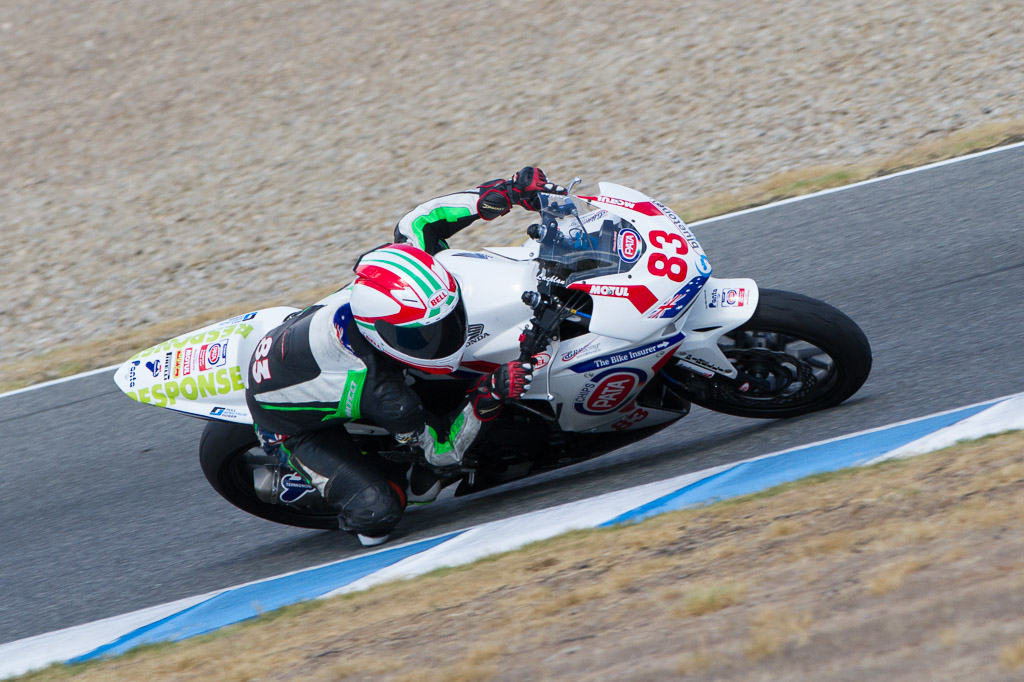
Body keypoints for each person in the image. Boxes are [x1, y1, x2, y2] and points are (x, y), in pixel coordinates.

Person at [244, 167, 563, 546]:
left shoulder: (395, 266)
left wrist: (502, 193)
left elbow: (419, 221)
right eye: (422, 336)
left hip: (305, 341)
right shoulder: (387, 396)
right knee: (378, 513)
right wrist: (488, 395)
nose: (441, 338)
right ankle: (294, 478)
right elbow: (441, 451)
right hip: (286, 424)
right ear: (382, 334)